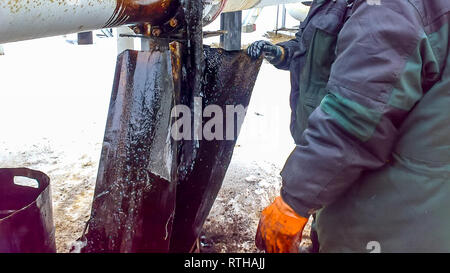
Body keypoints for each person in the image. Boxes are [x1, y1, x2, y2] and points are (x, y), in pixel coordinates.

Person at [247, 0, 450, 252]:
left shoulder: (392, 8)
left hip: (382, 212)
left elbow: (354, 118)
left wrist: (294, 202)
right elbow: (307, 44)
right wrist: (282, 53)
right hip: (422, 205)